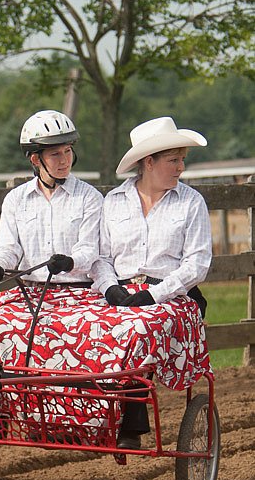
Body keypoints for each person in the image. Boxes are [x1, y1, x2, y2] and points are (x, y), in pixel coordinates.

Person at [91, 116, 213, 449]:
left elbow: (197, 264)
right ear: (149, 163)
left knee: (141, 328)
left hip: (176, 294)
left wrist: (154, 294)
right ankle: (85, 415)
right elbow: (100, 258)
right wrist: (109, 287)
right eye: (174, 160)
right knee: (84, 326)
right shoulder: (113, 202)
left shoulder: (191, 202)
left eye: (182, 160)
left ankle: (132, 423)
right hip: (121, 290)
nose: (181, 167)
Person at [0, 109, 103, 290]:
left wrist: (69, 263)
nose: (64, 160)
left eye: (68, 151)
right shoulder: (15, 200)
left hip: (79, 292)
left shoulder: (89, 197)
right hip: (30, 292)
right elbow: (8, 248)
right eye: (55, 154)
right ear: (35, 159)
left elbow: (89, 250)